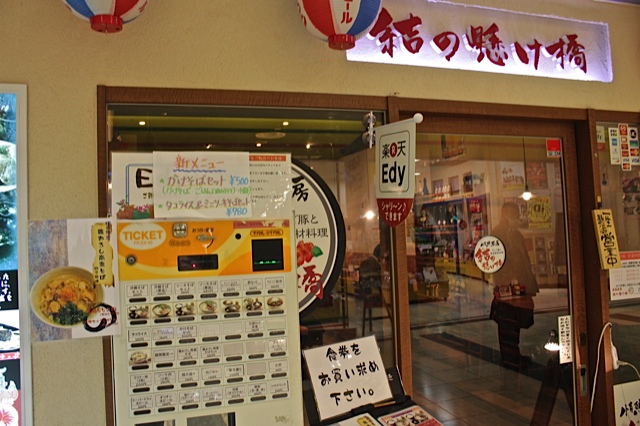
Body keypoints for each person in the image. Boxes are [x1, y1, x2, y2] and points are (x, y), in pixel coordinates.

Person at [489, 202, 538, 371]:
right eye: (514, 215)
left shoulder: (515, 234)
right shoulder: (497, 234)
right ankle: (509, 358)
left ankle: (513, 355)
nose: (516, 219)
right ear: (505, 215)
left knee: (515, 321)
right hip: (505, 286)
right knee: (507, 322)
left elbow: (523, 260)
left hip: (518, 286)